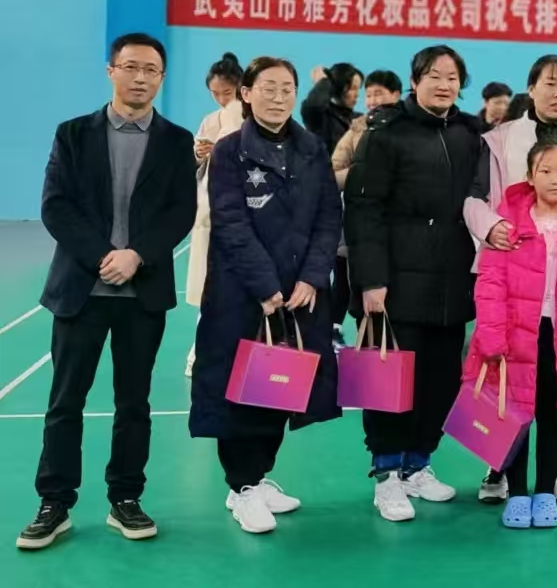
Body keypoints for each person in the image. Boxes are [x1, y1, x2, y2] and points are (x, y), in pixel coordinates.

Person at [18, 33, 197, 551]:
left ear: (162, 78)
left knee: (134, 403)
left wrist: (137, 255)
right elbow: (56, 205)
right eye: (131, 67)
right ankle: (55, 503)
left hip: (143, 296)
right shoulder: (73, 134)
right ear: (111, 70)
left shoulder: (175, 141)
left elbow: (180, 212)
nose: (140, 78)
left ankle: (126, 498)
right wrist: (104, 256)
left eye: (151, 70)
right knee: (65, 401)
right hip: (81, 291)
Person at [188, 57, 342, 535]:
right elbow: (231, 222)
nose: (278, 97)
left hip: (299, 296)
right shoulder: (230, 150)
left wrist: (311, 278)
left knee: (283, 386)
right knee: (240, 392)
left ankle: (257, 477)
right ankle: (242, 487)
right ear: (247, 94)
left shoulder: (312, 148)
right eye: (268, 88)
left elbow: (328, 218)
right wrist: (266, 286)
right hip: (243, 295)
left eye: (287, 88)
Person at [465, 54, 557, 507]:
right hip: (511, 275)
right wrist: (491, 226)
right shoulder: (499, 139)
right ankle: (499, 466)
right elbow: (472, 198)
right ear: (531, 88)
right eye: (550, 83)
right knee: (506, 380)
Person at [345, 46, 482, 522]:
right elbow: (363, 210)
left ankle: (417, 464)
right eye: (434, 76)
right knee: (390, 383)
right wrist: (371, 280)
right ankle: (386, 474)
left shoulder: (468, 134)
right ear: (416, 79)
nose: (444, 85)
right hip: (396, 284)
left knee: (441, 383)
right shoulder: (386, 133)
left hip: (451, 283)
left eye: (452, 77)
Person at [326, 70, 403, 348]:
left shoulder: (411, 129)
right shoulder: (358, 129)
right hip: (361, 225)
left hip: (403, 233)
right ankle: (336, 329)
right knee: (351, 283)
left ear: (396, 94)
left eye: (378, 93)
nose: (372, 100)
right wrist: (362, 174)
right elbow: (332, 174)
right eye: (368, 95)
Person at [184, 53, 246, 376]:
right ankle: (200, 351)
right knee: (210, 289)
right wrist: (199, 154)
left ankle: (245, 357)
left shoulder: (249, 118)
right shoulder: (210, 120)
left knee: (243, 291)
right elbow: (194, 165)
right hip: (210, 216)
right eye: (216, 93)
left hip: (246, 217)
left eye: (228, 92)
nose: (222, 99)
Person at [301, 63, 363, 155]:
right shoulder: (321, 117)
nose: (357, 94)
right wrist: (324, 80)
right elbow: (312, 106)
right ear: (339, 86)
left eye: (358, 89)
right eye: (353, 88)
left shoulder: (359, 119)